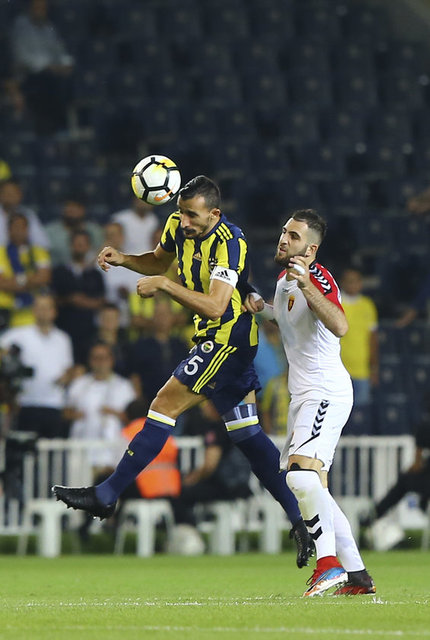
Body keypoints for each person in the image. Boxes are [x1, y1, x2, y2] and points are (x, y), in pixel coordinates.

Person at [53, 175, 312, 568]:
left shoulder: (230, 242)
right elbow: (158, 260)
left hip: (227, 340)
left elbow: (215, 306)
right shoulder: (177, 224)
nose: (184, 221)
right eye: (181, 212)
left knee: (163, 405)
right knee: (247, 435)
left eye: (192, 215)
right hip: (215, 338)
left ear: (214, 213)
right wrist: (125, 259)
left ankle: (107, 494)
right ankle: (300, 519)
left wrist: (164, 285)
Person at [244, 209, 375, 597]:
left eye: (295, 236)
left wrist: (307, 285)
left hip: (325, 391)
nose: (284, 239)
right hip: (304, 395)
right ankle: (357, 575)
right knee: (316, 488)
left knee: (300, 477)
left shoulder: (316, 277)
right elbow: (292, 322)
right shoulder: (284, 279)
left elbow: (340, 325)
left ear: (311, 249)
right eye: (284, 232)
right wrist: (263, 308)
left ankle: (328, 563)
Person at [0, 293, 74, 438]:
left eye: (46, 308)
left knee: (51, 448)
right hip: (26, 402)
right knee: (25, 447)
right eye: (39, 307)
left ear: (54, 311)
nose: (43, 312)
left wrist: (66, 377)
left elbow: (68, 368)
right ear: (33, 310)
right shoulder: (19, 334)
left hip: (54, 403)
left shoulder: (63, 339)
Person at [171, 401, 251, 528]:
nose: (203, 408)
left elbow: (210, 465)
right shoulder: (235, 426)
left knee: (182, 494)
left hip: (224, 485)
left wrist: (193, 478)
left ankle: (189, 530)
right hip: (241, 485)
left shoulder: (216, 430)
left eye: (206, 404)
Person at [64, 341, 136, 475]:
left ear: (111, 360)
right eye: (96, 358)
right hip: (82, 451)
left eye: (104, 358)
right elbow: (65, 413)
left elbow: (134, 421)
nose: (100, 362)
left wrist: (115, 413)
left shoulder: (124, 386)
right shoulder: (79, 384)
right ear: (90, 361)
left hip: (112, 453)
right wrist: (75, 415)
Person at [360, 406, 430, 531]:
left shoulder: (426, 425)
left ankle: (373, 516)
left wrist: (410, 471)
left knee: (404, 482)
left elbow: (417, 462)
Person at [10, 0, 74, 135]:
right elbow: (22, 57)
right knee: (46, 82)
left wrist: (65, 64)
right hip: (30, 75)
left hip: (52, 73)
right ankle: (46, 130)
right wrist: (47, 66)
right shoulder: (21, 26)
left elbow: (59, 51)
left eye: (43, 8)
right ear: (30, 8)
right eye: (37, 8)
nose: (40, 11)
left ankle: (63, 128)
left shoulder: (49, 27)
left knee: (66, 79)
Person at [51, 229, 105, 363]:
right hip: (62, 327)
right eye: (76, 244)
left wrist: (81, 301)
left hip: (89, 331)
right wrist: (69, 300)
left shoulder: (95, 275)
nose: (79, 247)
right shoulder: (59, 272)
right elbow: (52, 298)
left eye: (83, 244)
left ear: (89, 247)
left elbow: (102, 301)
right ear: (70, 246)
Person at [0, 213, 51, 328]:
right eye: (15, 227)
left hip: (34, 314)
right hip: (6, 315)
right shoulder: (0, 252)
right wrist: (30, 280)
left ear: (27, 229)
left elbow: (44, 278)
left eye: (22, 227)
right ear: (9, 230)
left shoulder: (39, 251)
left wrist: (16, 281)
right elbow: (2, 283)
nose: (19, 230)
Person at [339, 268, 379, 409]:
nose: (353, 284)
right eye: (349, 281)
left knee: (361, 414)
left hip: (362, 371)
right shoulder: (336, 303)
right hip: (339, 370)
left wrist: (374, 368)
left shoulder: (368, 305)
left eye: (356, 281)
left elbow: (372, 339)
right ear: (342, 283)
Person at [45, 198, 104, 267]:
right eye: (68, 207)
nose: (71, 211)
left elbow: (103, 250)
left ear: (83, 210)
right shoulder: (49, 231)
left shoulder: (95, 231)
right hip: (54, 270)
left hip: (89, 270)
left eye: (75, 207)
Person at [0, 179, 49, 249]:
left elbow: (44, 243)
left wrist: (23, 241)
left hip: (23, 253)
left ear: (20, 195)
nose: (10, 196)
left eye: (14, 193)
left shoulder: (28, 215)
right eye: (7, 193)